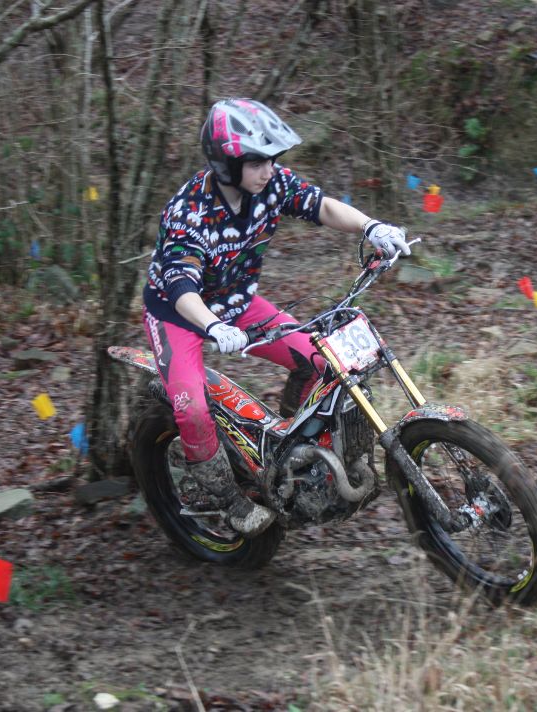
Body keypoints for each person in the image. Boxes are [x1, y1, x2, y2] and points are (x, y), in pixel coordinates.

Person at [142, 98, 411, 536]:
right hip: (179, 315)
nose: (268, 170)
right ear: (227, 164)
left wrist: (371, 227)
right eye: (256, 163)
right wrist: (212, 325)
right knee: (191, 407)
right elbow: (181, 287)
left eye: (271, 160)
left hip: (239, 302)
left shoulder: (272, 185)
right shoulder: (188, 212)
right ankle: (226, 500)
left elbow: (321, 206)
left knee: (323, 362)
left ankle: (291, 452)